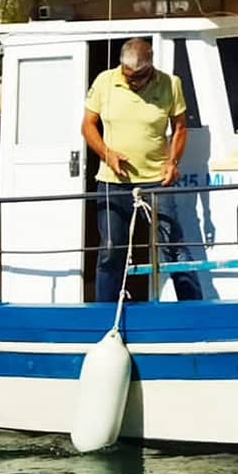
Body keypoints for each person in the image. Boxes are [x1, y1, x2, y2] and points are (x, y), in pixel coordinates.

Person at [83, 37, 201, 303]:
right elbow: (88, 125)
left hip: (156, 182)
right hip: (112, 181)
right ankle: (105, 314)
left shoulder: (171, 84)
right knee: (111, 249)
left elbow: (180, 127)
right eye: (127, 76)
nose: (131, 82)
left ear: (151, 69)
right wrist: (107, 153)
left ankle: (195, 309)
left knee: (173, 247)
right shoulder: (105, 81)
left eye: (138, 78)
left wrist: (173, 163)